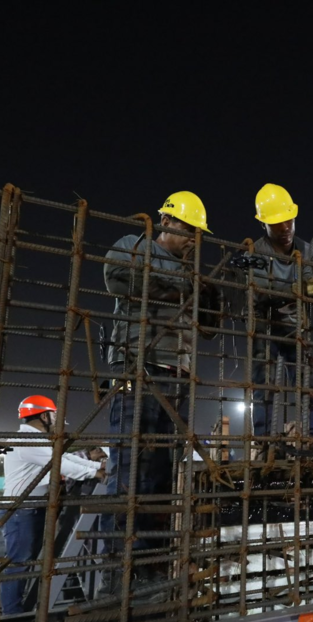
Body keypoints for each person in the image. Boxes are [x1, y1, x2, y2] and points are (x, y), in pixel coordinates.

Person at [102, 191, 217, 562]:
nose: (192, 241)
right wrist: (181, 289)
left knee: (164, 477)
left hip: (177, 377)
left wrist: (196, 289)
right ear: (166, 221)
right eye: (189, 231)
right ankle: (117, 569)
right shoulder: (132, 247)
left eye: (198, 235)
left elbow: (210, 325)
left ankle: (151, 564)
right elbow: (119, 280)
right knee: (130, 471)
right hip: (139, 368)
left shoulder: (191, 272)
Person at [0, 395, 104, 615]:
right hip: (21, 510)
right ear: (44, 415)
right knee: (19, 562)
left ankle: (16, 608)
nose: (58, 421)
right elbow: (61, 464)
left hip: (30, 509)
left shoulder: (36, 440)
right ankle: (12, 613)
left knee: (26, 560)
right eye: (55, 415)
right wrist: (95, 472)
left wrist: (95, 466)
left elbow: (64, 457)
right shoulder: (28, 441)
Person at [245, 184, 313, 447]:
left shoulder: (308, 252)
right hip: (264, 327)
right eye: (277, 223)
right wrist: (298, 289)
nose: (285, 228)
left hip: (296, 328)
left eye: (289, 220)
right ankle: (266, 442)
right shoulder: (256, 253)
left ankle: (311, 440)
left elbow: (311, 283)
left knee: (307, 386)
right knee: (264, 385)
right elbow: (259, 291)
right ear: (264, 225)